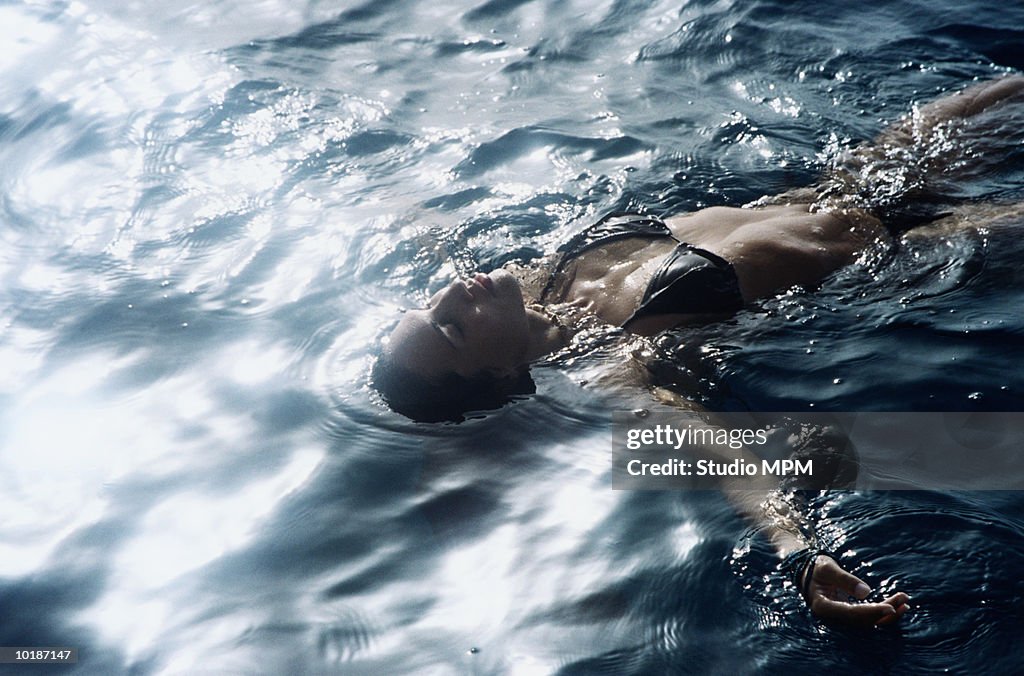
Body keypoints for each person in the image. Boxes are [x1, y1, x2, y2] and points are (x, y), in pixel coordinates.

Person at [372, 75, 1024, 625]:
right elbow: (719, 453)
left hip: (853, 185)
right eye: (450, 326)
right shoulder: (614, 362)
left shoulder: (539, 276)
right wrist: (798, 552)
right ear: (500, 372)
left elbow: (438, 241)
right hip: (911, 258)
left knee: (1001, 92)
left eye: (432, 307)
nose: (454, 296)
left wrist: (373, 187)